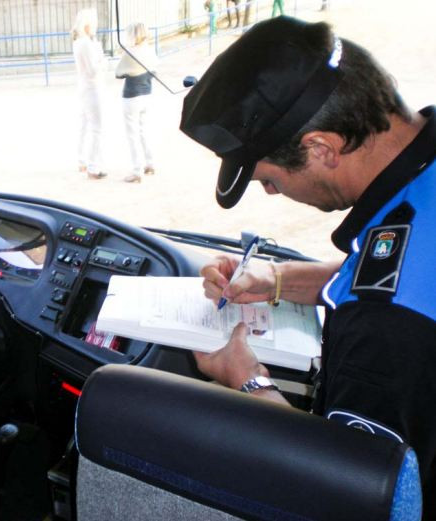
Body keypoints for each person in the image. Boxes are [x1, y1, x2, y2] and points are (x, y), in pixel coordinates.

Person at [180, 15, 436, 516]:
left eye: (269, 180)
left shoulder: (384, 330)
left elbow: (348, 493)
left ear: (321, 148)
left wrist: (248, 381)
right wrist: (274, 280)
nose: (274, 193)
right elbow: (399, 274)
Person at [115, 22, 157, 183]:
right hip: (147, 94)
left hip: (132, 96)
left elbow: (118, 73)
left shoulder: (131, 53)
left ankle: (136, 171)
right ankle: (150, 163)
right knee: (143, 131)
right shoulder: (150, 50)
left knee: (132, 134)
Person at [71, 8, 108, 180]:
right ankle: (93, 167)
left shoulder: (79, 42)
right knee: (97, 128)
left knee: (84, 126)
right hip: (92, 88)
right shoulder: (86, 43)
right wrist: (102, 60)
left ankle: (82, 160)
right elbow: (93, 70)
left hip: (84, 87)